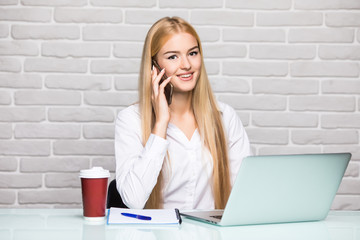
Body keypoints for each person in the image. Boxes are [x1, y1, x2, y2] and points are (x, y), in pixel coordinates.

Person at [115, 16, 251, 210]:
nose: (186, 64)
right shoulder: (131, 120)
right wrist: (161, 123)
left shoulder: (225, 117)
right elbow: (133, 200)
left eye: (193, 53)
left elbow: (245, 193)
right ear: (154, 66)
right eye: (173, 56)